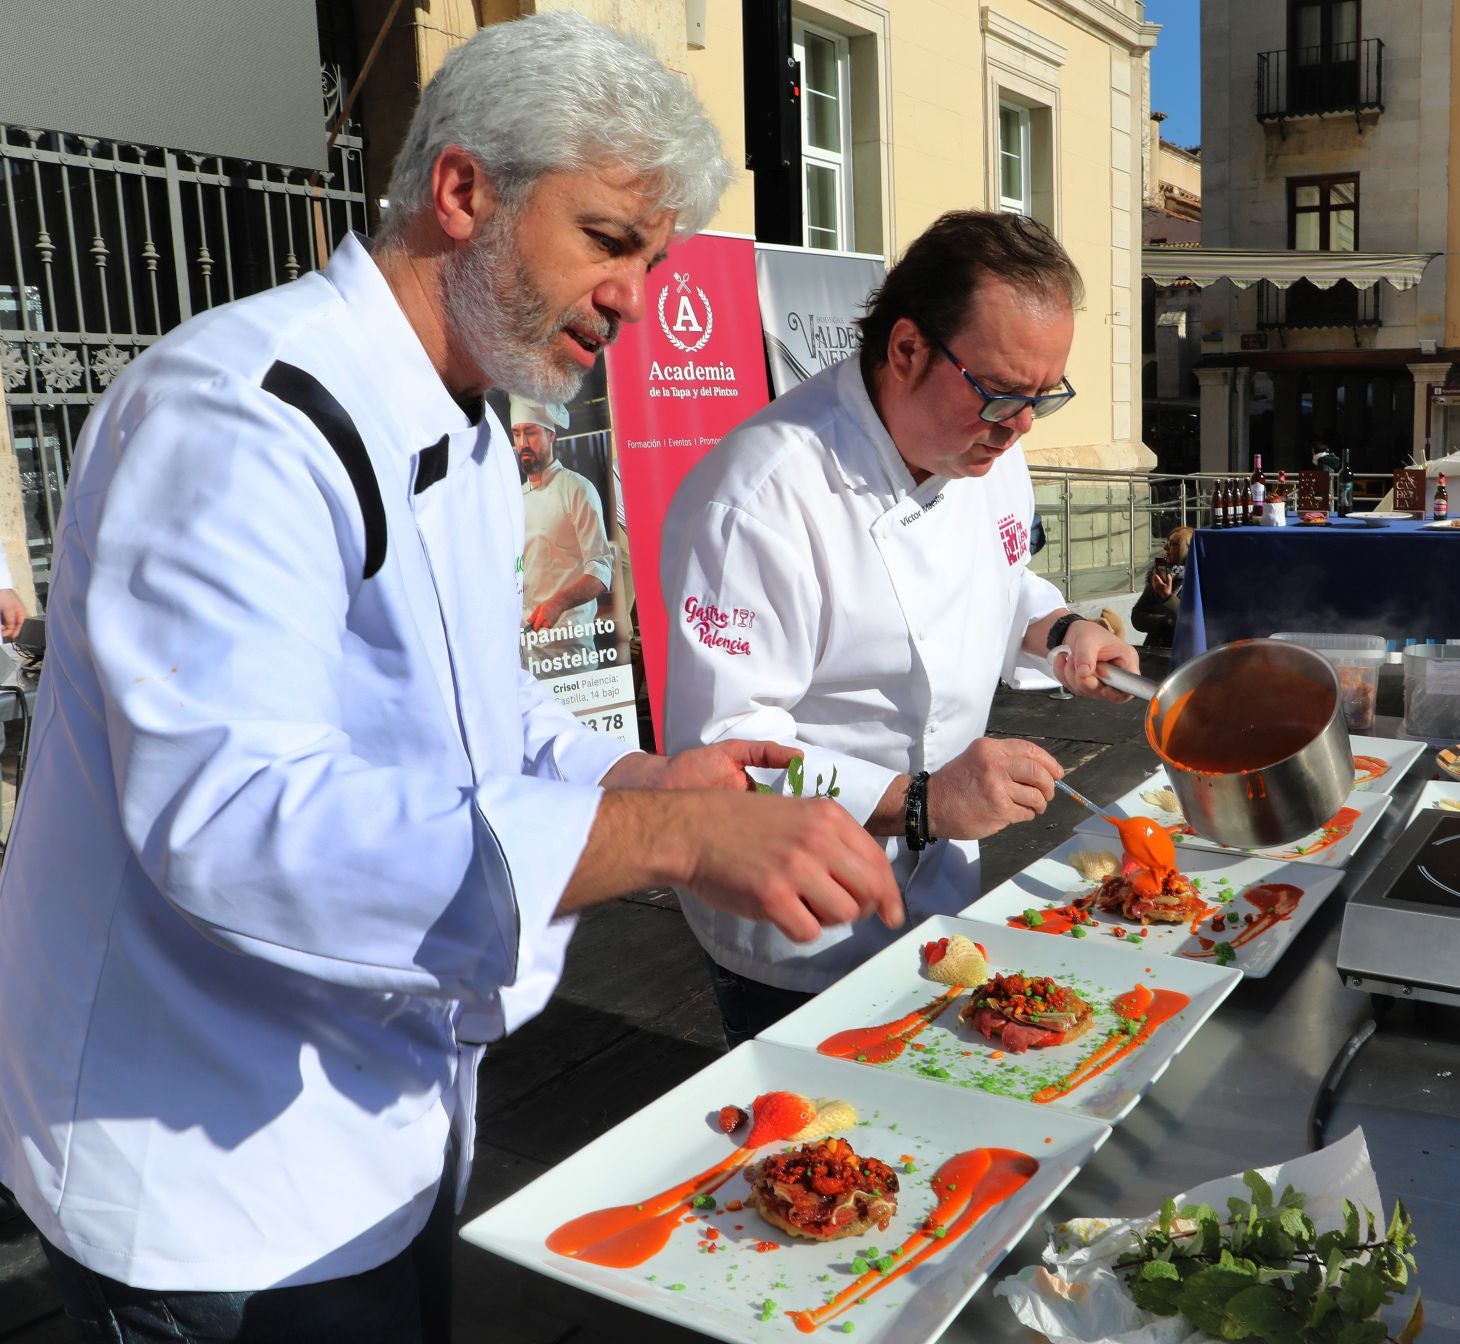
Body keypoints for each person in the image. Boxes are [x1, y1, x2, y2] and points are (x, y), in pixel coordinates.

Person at [0, 15, 900, 1344]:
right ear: (463, 190)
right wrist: (662, 834)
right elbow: (232, 818)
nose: (639, 300)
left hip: (387, 1131)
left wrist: (640, 773)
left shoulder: (469, 423)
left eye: (652, 261)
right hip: (216, 1181)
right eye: (608, 242)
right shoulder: (243, 412)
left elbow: (484, 709)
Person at [660, 210, 1139, 1044]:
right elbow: (725, 757)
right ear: (908, 349)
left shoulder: (991, 448)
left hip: (943, 878)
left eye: (1042, 397)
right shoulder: (761, 498)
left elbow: (1001, 575)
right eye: (998, 391)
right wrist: (921, 800)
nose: (1020, 424)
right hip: (800, 912)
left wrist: (1061, 630)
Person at [513, 395, 616, 670]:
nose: (522, 443)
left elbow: (601, 571)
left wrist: (558, 603)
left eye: (531, 433)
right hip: (527, 655)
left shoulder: (577, 489)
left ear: (551, 436)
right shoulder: (515, 499)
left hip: (570, 652)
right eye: (517, 434)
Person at [1131, 526, 1194, 649]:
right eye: (1167, 543)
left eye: (1173, 544)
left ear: (1188, 549)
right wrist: (1165, 622)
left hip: (1181, 651)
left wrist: (1167, 597)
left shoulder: (1195, 579)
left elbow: (1191, 621)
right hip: (1154, 648)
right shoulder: (1159, 575)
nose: (1166, 548)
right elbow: (1137, 616)